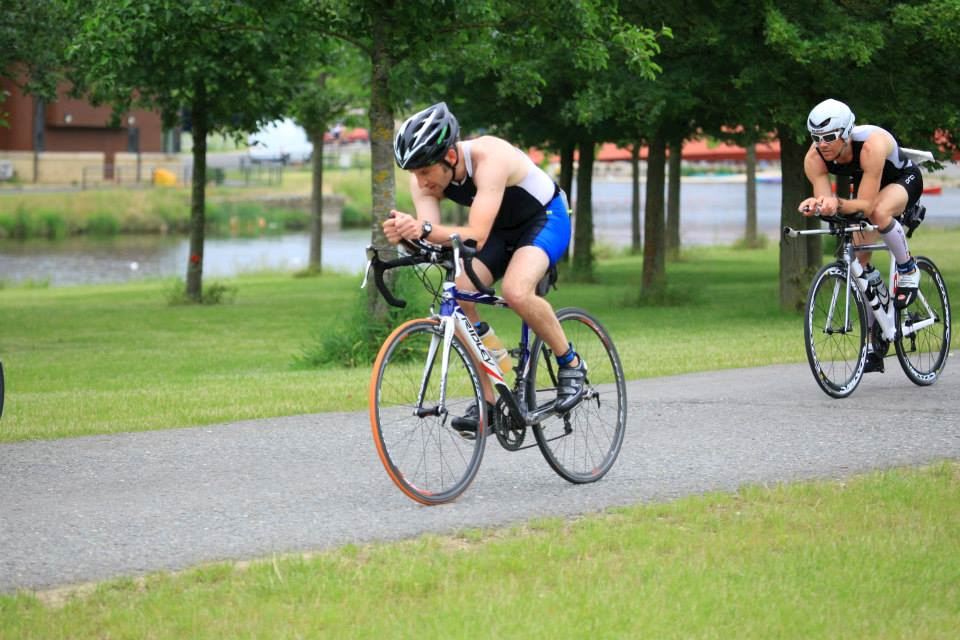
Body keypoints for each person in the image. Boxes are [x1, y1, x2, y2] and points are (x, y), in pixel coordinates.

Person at [383, 101, 585, 435]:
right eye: (414, 173)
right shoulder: (423, 179)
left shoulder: (490, 157)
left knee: (516, 291)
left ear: (449, 157)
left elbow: (474, 234)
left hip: (544, 219)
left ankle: (571, 364)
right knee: (461, 297)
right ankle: (495, 398)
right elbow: (434, 237)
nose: (420, 181)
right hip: (499, 233)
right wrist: (406, 237)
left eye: (424, 172)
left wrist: (423, 229)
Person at [797, 98, 923, 373]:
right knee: (859, 265)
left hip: (902, 179)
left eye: (829, 137)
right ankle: (874, 340)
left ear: (845, 133)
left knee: (878, 213)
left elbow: (865, 207)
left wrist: (835, 203)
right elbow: (828, 202)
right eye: (816, 137)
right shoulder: (814, 158)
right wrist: (817, 204)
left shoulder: (871, 145)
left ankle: (908, 268)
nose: (822, 144)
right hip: (868, 184)